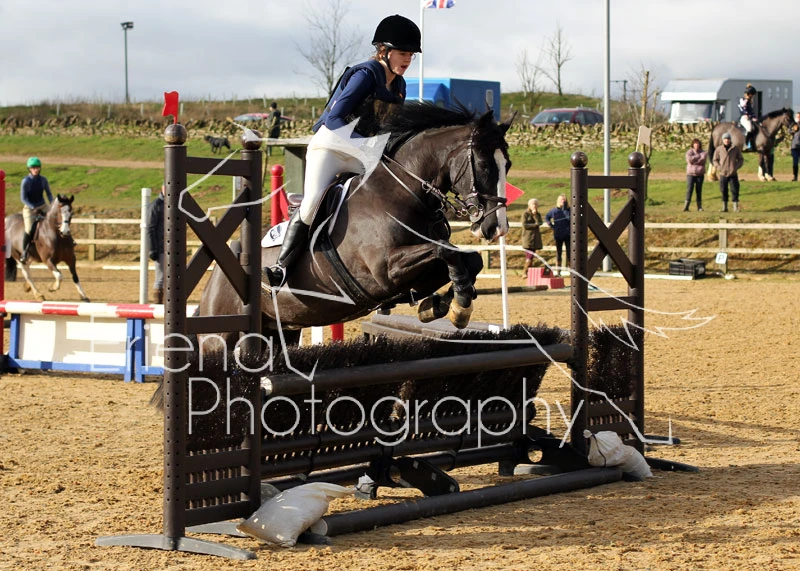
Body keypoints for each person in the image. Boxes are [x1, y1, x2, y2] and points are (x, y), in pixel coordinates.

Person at [263, 14, 421, 288]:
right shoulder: (365, 75)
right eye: (403, 53)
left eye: (411, 55)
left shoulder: (399, 86)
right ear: (383, 51)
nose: (407, 59)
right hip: (331, 147)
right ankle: (281, 267)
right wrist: (366, 143)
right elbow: (334, 119)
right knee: (312, 205)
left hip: (363, 153)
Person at [19, 156, 54, 263]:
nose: (35, 169)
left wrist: (52, 204)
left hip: (42, 205)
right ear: (29, 169)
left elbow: (48, 193)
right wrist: (32, 207)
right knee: (29, 229)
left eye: (37, 167)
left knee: (56, 219)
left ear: (40, 168)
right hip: (29, 208)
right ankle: (24, 252)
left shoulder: (43, 180)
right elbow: (23, 198)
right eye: (33, 167)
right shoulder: (25, 181)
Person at [712, 132, 744, 212]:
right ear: (723, 140)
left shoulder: (735, 149)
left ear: (730, 140)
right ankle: (724, 207)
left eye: (728, 139)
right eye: (725, 139)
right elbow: (715, 160)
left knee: (734, 190)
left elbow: (741, 159)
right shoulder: (719, 149)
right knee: (723, 190)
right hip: (723, 173)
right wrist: (719, 167)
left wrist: (736, 167)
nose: (727, 140)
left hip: (733, 173)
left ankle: (735, 207)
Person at [147, 185, 165, 304]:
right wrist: (152, 249)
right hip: (160, 247)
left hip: (170, 247)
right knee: (160, 277)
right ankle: (157, 303)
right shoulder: (156, 205)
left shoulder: (173, 204)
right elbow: (150, 228)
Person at [545, 194, 571, 270]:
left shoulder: (570, 210)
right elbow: (547, 217)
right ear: (558, 201)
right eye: (561, 200)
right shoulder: (554, 211)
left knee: (569, 252)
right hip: (558, 234)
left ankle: (571, 269)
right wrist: (551, 225)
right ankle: (558, 270)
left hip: (568, 234)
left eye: (564, 200)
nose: (563, 201)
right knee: (558, 252)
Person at [520, 198, 543, 276]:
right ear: (529, 205)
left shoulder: (538, 214)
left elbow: (540, 223)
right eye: (533, 204)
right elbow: (524, 225)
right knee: (529, 255)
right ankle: (525, 271)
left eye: (536, 204)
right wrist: (534, 225)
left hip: (535, 238)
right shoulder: (525, 214)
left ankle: (529, 272)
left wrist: (535, 215)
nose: (534, 206)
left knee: (532, 256)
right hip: (528, 238)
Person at [684, 138, 707, 212]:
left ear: (700, 145)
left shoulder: (704, 152)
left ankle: (699, 207)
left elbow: (703, 160)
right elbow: (689, 160)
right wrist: (697, 157)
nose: (696, 145)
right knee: (689, 190)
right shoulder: (689, 152)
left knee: (699, 191)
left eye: (697, 143)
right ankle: (686, 206)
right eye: (695, 144)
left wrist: (694, 160)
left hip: (700, 174)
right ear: (693, 145)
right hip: (690, 174)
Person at [738, 83, 758, 151]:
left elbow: (751, 111)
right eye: (752, 94)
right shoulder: (742, 100)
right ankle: (745, 144)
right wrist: (747, 115)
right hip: (744, 118)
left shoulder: (749, 102)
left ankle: (753, 144)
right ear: (749, 94)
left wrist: (754, 117)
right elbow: (743, 108)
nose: (753, 96)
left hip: (750, 118)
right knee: (749, 129)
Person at [791, 112, 800, 182]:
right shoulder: (794, 124)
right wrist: (793, 130)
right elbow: (789, 132)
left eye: (799, 117)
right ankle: (795, 176)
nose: (798, 118)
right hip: (795, 147)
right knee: (795, 162)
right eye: (797, 117)